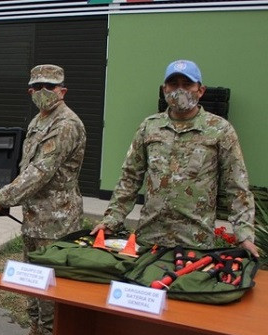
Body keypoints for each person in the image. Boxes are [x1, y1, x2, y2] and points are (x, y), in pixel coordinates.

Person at [91, 59, 259, 257]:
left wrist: (244, 235)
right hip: (150, 238)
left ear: (201, 90)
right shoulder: (149, 127)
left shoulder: (219, 130)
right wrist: (111, 220)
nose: (180, 90)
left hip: (195, 243)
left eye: (187, 84)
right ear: (164, 89)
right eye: (173, 84)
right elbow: (130, 178)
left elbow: (237, 187)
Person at [0, 64, 87, 335]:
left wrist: (2, 197)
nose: (42, 92)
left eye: (49, 87)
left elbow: (41, 171)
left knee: (51, 285)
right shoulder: (38, 120)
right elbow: (24, 166)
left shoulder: (66, 124)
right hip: (34, 218)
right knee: (33, 279)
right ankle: (36, 328)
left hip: (57, 221)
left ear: (62, 91)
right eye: (37, 87)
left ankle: (51, 332)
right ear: (30, 91)